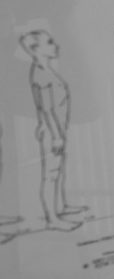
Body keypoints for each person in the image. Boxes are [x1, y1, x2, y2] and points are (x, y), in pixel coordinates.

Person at [20, 30, 85, 230]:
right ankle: (52, 219)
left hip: (55, 128)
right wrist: (56, 136)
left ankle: (61, 206)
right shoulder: (41, 73)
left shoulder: (44, 69)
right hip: (53, 131)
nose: (55, 45)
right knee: (51, 174)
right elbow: (46, 109)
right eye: (49, 42)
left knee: (58, 170)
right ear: (35, 49)